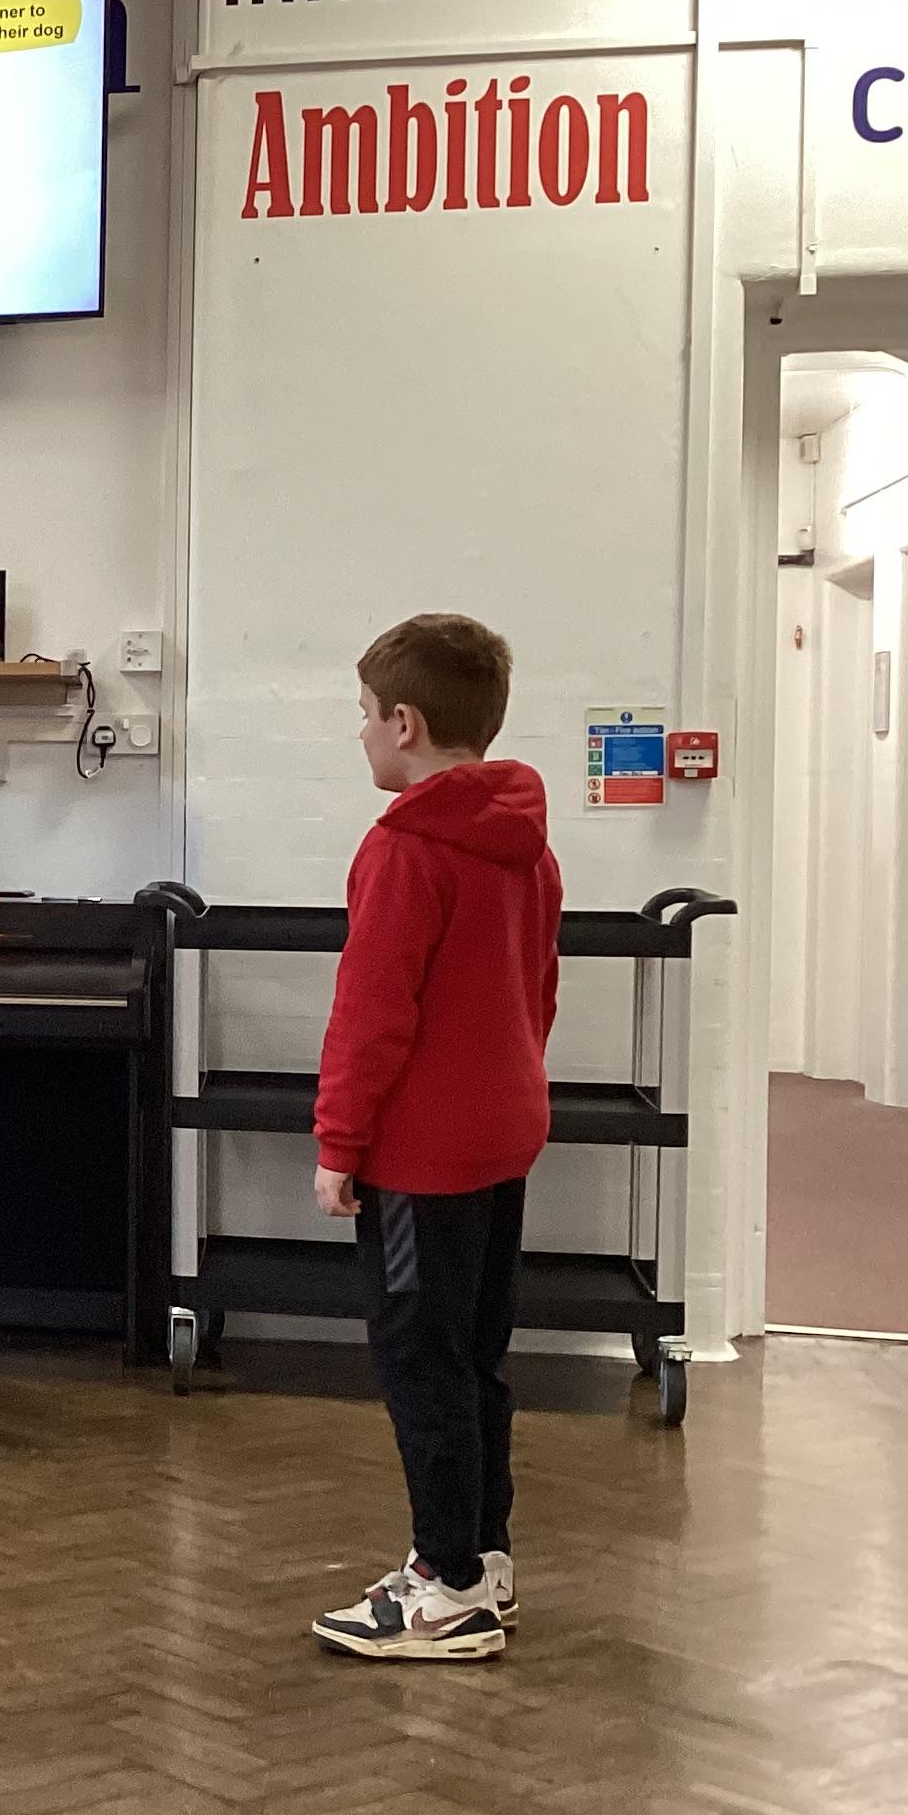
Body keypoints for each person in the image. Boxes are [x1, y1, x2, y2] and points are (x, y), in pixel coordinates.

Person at [308, 614, 562, 1662]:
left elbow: (372, 1012)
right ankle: (481, 1559)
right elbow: (539, 990)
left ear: (405, 724)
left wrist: (339, 1144)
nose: (362, 733)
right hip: (503, 1135)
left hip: (421, 1156)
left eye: (366, 716)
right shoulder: (525, 842)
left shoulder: (404, 849)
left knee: (421, 1362)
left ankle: (446, 1586)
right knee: (476, 1358)